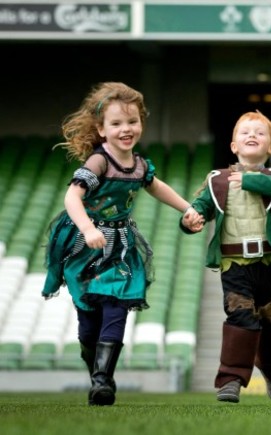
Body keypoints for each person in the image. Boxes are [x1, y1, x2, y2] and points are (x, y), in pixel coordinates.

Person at [41, 82, 202, 406]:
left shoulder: (140, 164)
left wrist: (188, 208)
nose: (126, 129)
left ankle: (102, 382)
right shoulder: (98, 162)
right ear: (102, 129)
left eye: (132, 122)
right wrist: (87, 228)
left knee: (117, 307)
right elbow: (72, 195)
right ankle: (96, 368)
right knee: (89, 325)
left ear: (141, 123)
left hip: (120, 247)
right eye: (116, 124)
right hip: (84, 247)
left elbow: (157, 188)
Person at [180, 110, 271, 405]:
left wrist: (249, 181)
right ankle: (231, 379)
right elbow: (200, 208)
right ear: (233, 145)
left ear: (270, 147)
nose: (252, 136)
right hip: (235, 265)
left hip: (269, 264)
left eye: (260, 133)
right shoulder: (217, 181)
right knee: (240, 315)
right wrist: (190, 221)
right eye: (245, 132)